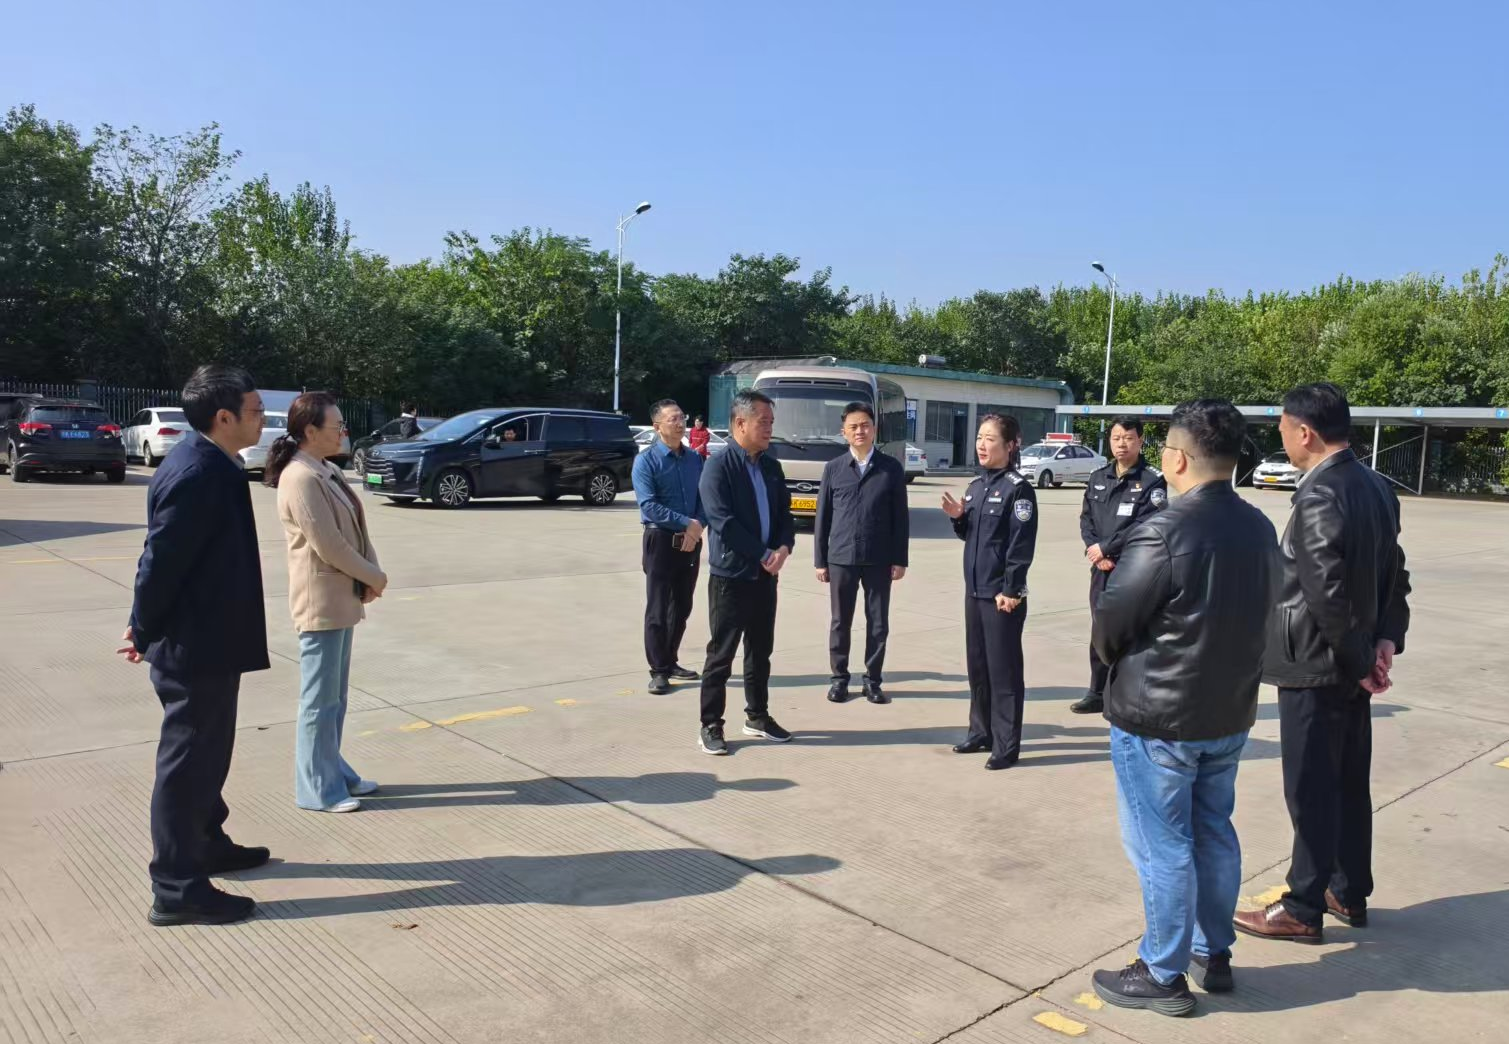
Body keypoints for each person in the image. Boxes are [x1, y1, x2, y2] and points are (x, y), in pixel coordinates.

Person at [1087, 400, 1278, 1016]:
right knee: (1213, 832)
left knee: (1161, 845)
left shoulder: (1163, 531)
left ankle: (1162, 971)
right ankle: (1211, 950)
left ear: (1175, 459)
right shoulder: (1258, 527)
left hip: (1160, 720)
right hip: (1227, 713)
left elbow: (1110, 626)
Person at [1235, 382, 1411, 945]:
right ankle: (1347, 889)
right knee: (1347, 781)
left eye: (1284, 429)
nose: (1282, 438)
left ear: (1306, 432)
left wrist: (1361, 658)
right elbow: (1394, 572)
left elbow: (1325, 593)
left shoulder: (1319, 494)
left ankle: (1302, 906)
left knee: (1311, 787)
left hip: (1317, 663)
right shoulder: (1376, 486)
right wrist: (1385, 640)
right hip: (1351, 658)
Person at [115, 365, 271, 927]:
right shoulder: (199, 472)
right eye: (255, 411)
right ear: (224, 417)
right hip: (194, 644)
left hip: (212, 639)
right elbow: (161, 560)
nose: (263, 419)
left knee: (209, 755)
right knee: (187, 764)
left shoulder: (210, 462)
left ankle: (206, 842)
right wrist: (142, 626)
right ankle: (177, 886)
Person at [265, 393, 388, 814]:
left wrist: (371, 570)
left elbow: (356, 530)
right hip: (320, 601)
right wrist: (372, 577)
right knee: (318, 701)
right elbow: (329, 545)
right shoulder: (300, 477)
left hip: (342, 597)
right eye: (336, 426)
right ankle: (318, 788)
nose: (342, 432)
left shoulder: (327, 469)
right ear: (310, 431)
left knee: (335, 698)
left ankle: (334, 770)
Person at [696, 389, 796, 755]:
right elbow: (723, 522)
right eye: (763, 422)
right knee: (721, 654)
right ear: (740, 423)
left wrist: (783, 548)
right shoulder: (718, 466)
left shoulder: (771, 466)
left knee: (760, 651)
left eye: (771, 422)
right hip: (731, 576)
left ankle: (757, 716)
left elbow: (785, 514)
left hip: (766, 575)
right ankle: (710, 724)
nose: (769, 428)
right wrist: (763, 553)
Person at [940, 413, 1037, 770]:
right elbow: (973, 535)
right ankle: (980, 732)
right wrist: (958, 517)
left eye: (990, 438)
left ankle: (1007, 745)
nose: (981, 445)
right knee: (978, 667)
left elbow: (1020, 545)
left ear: (1010, 445)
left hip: (1002, 596)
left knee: (1004, 672)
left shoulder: (1018, 489)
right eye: (980, 437)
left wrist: (1011, 589)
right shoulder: (976, 486)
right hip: (975, 592)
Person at [813, 401, 909, 704]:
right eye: (853, 426)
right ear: (844, 432)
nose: (860, 431)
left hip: (879, 558)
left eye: (865, 425)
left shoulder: (891, 468)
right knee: (840, 621)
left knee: (878, 622)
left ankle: (873, 681)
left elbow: (900, 518)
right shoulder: (834, 468)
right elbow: (823, 517)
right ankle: (839, 679)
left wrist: (900, 559)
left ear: (874, 429)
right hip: (841, 557)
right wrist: (820, 560)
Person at [1072, 418, 1168, 715]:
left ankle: (1127, 693)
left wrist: (1108, 548)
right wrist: (1095, 551)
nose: (1121, 444)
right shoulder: (1098, 476)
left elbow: (1146, 523)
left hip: (1133, 568)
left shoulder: (1153, 480)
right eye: (1116, 438)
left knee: (1131, 629)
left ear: (1140, 440)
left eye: (1128, 438)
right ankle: (1096, 692)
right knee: (1101, 627)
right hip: (1101, 567)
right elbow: (1086, 518)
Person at [632, 399, 706, 696]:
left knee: (682, 605)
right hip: (661, 540)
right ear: (657, 426)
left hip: (691, 540)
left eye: (681, 417)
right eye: (672, 419)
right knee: (658, 608)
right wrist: (686, 523)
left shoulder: (695, 459)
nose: (680, 423)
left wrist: (697, 525)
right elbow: (648, 505)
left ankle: (670, 659)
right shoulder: (646, 461)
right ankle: (658, 670)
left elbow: (705, 498)